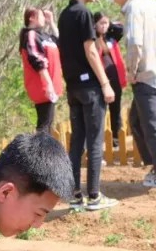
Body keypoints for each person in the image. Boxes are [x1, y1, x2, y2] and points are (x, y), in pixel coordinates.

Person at [59, 0, 119, 210]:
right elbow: (91, 50)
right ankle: (94, 196)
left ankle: (75, 195)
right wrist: (105, 83)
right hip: (90, 87)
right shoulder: (83, 13)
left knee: (77, 142)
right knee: (95, 141)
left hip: (73, 87)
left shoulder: (64, 14)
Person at [117, 0, 156, 188]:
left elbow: (134, 43)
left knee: (152, 125)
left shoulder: (135, 7)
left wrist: (131, 71)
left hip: (146, 74)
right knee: (136, 120)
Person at [21, 7, 65, 133]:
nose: (44, 19)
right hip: (43, 87)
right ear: (32, 18)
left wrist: (51, 22)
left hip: (52, 85)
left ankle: (42, 151)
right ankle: (40, 152)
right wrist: (48, 84)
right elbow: (36, 59)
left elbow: (60, 42)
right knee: (44, 125)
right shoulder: (31, 34)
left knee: (47, 123)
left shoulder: (44, 36)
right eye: (41, 16)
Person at [95, 12, 128, 147]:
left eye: (106, 23)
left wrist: (109, 24)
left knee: (116, 111)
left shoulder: (111, 37)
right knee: (100, 112)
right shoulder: (92, 39)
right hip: (101, 81)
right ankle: (99, 142)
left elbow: (122, 29)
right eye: (101, 23)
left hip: (115, 79)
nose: (104, 26)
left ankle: (116, 140)